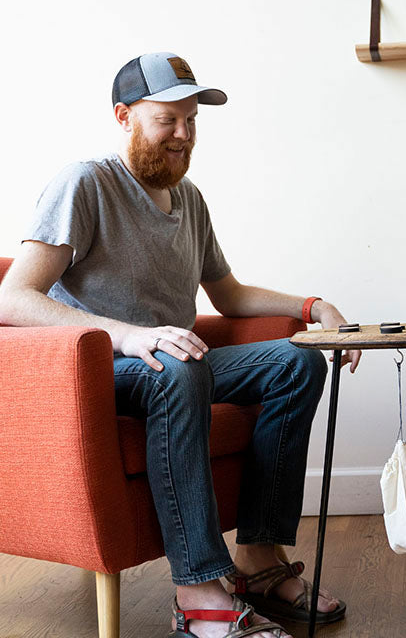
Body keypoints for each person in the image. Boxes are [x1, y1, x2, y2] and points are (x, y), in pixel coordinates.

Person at [0, 52, 362, 638]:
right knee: (177, 364)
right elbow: (12, 298)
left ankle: (257, 562)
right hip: (101, 369)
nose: (184, 134)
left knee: (296, 360)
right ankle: (197, 592)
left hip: (176, 364)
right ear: (125, 116)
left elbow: (229, 295)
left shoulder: (189, 198)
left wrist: (311, 309)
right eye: (168, 119)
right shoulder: (85, 183)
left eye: (192, 120)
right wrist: (125, 335)